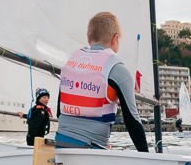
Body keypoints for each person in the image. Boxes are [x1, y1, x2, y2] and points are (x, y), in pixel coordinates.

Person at [55, 12, 149, 152]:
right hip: (92, 149)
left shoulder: (72, 62)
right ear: (115, 39)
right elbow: (132, 121)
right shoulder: (117, 69)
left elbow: (59, 111)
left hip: (60, 144)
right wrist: (146, 157)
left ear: (89, 39)